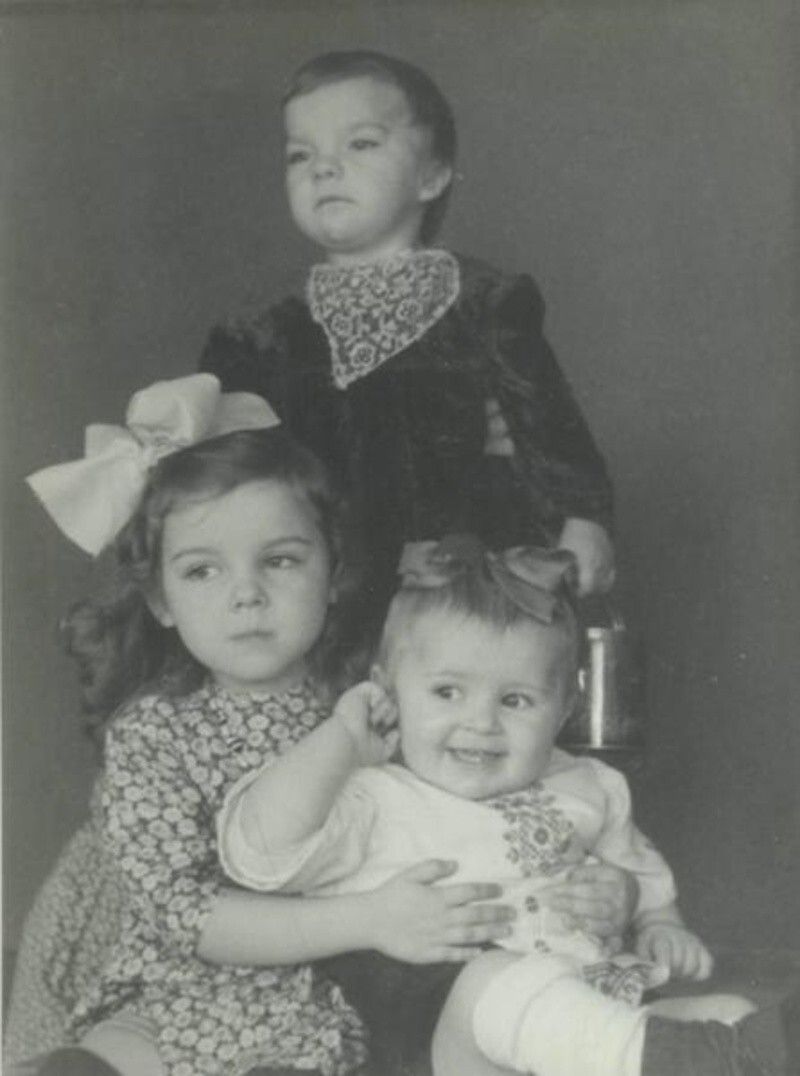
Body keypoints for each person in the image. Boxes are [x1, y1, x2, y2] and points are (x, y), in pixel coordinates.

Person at [8, 376, 527, 1076]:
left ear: (333, 572)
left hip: (337, 992)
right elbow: (189, 918)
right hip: (179, 993)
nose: (246, 594)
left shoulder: (373, 699)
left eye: (280, 560)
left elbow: (477, 811)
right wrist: (370, 917)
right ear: (160, 600)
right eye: (202, 571)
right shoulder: (153, 733)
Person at [218, 534, 783, 1076]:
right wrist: (340, 738)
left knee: (728, 1013)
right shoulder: (375, 795)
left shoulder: (588, 785)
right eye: (447, 692)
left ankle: (674, 1053)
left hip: (596, 1002)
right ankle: (656, 1058)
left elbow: (643, 877)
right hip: (453, 1039)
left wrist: (648, 915)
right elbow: (258, 852)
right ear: (387, 691)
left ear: (564, 709)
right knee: (498, 981)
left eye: (515, 700)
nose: (481, 721)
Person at [199, 49, 615, 640]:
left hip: (451, 576)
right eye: (300, 155)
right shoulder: (258, 327)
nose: (324, 169)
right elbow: (224, 464)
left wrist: (584, 517)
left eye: (360, 144)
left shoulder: (482, 299)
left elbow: (546, 421)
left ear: (432, 176)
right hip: (317, 587)